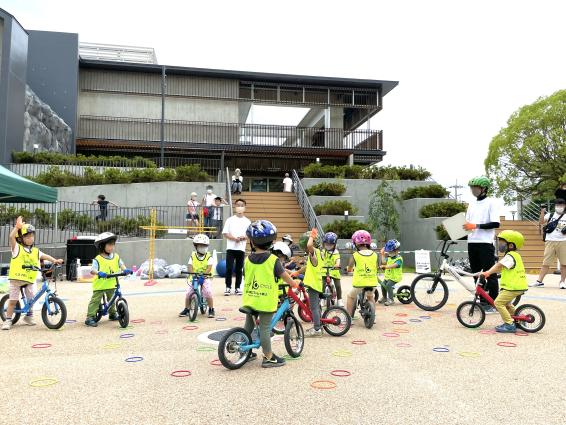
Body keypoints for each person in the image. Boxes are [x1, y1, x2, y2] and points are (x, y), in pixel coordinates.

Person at [242, 220, 299, 368]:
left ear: (252, 242)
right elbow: (283, 276)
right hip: (265, 301)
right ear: (271, 243)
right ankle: (268, 357)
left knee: (248, 326)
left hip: (250, 299)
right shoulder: (273, 260)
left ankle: (244, 352)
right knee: (265, 329)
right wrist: (294, 284)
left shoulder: (247, 260)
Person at [2, 217, 64, 330]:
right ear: (20, 238)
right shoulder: (17, 248)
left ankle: (28, 316)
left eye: (32, 236)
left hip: (29, 280)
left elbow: (44, 256)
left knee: (32, 299)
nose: (31, 238)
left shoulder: (35, 251)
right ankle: (8, 319)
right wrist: (17, 227)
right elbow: (11, 237)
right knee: (13, 301)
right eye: (27, 236)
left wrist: (54, 260)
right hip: (16, 280)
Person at [463, 176, 500, 314]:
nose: (473, 190)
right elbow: (467, 224)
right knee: (476, 274)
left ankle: (494, 303)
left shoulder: (491, 203)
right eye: (471, 188)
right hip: (472, 242)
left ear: (483, 189)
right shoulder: (472, 204)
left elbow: (496, 223)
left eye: (475, 188)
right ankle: (483, 301)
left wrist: (476, 225)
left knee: (489, 274)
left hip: (485, 243)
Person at [481, 230, 528, 333]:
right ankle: (518, 320)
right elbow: (504, 269)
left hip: (513, 287)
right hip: (516, 285)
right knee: (507, 304)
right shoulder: (515, 255)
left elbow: (499, 266)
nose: (500, 244)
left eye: (502, 242)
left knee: (498, 303)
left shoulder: (510, 256)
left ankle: (509, 324)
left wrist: (488, 272)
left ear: (510, 245)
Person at [85, 232, 132, 327]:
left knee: (112, 299)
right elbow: (92, 270)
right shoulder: (98, 259)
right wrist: (99, 273)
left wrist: (125, 269)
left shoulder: (116, 256)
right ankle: (90, 317)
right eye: (109, 245)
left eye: (113, 245)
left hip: (112, 283)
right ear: (102, 246)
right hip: (100, 285)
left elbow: (121, 264)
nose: (112, 247)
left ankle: (113, 313)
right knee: (95, 301)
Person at [531, 198, 566, 288]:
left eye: (561, 205)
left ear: (564, 206)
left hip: (563, 241)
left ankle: (562, 282)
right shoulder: (550, 215)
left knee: (564, 263)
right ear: (555, 206)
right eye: (558, 205)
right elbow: (541, 222)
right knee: (546, 263)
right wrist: (542, 211)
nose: (559, 207)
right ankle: (539, 281)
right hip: (550, 241)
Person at [179, 234, 215, 318]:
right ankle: (187, 309)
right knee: (188, 293)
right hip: (195, 277)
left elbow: (209, 268)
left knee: (208, 292)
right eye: (201, 245)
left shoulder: (209, 257)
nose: (203, 247)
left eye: (205, 245)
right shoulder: (193, 256)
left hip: (206, 277)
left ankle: (211, 309)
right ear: (196, 246)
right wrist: (191, 274)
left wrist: (203, 275)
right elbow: (190, 266)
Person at [346, 230, 378, 319]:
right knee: (370, 296)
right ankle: (373, 315)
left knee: (350, 296)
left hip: (359, 283)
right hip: (372, 282)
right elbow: (376, 267)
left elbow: (349, 268)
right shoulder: (375, 255)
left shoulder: (355, 255)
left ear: (356, 243)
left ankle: (348, 318)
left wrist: (349, 269)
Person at [222, 199, 251, 295]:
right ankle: (228, 287)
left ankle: (238, 287)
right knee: (229, 268)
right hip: (230, 248)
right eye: (238, 205)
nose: (240, 207)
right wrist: (234, 239)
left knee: (239, 269)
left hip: (241, 248)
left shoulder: (247, 221)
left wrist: (243, 238)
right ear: (235, 206)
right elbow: (225, 233)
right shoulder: (230, 220)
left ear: (245, 207)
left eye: (242, 205)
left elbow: (249, 234)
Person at [378, 239, 403, 306]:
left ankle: (391, 299)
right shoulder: (389, 257)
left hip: (395, 277)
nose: (389, 253)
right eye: (388, 252)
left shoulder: (399, 259)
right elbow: (384, 262)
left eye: (391, 252)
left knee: (388, 285)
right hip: (388, 277)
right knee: (383, 285)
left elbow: (394, 265)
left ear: (396, 250)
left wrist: (385, 267)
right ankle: (384, 297)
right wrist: (382, 254)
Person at [321, 231, 343, 306]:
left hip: (334, 270)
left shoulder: (336, 252)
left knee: (338, 285)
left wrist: (337, 264)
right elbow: (321, 259)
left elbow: (337, 260)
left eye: (330, 244)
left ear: (334, 244)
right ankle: (322, 298)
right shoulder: (323, 251)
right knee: (322, 284)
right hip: (324, 271)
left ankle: (340, 299)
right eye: (326, 244)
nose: (328, 246)